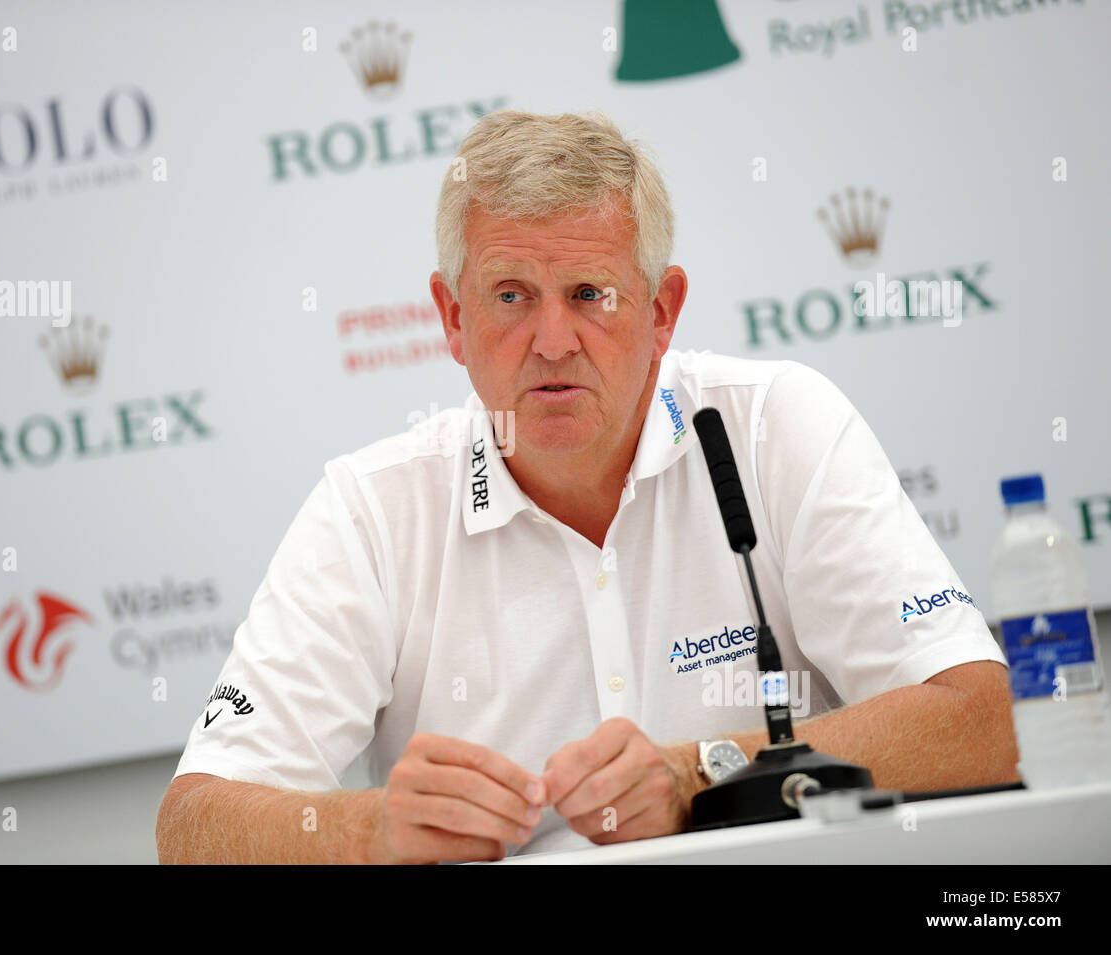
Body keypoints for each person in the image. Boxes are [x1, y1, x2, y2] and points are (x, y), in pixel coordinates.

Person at [156, 110, 1017, 864]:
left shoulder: (773, 428)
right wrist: (370, 829)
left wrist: (700, 769)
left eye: (589, 293)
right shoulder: (374, 512)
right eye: (510, 295)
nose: (553, 339)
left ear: (661, 309)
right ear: (453, 318)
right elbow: (194, 826)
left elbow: (976, 723)